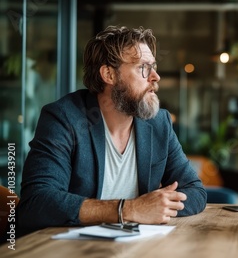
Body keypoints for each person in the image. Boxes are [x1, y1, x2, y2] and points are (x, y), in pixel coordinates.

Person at [17, 26, 207, 236]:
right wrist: (129, 209)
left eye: (153, 66)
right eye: (143, 67)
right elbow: (37, 201)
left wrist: (157, 208)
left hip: (136, 247)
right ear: (108, 74)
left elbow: (195, 191)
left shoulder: (159, 122)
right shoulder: (64, 118)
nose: (155, 76)